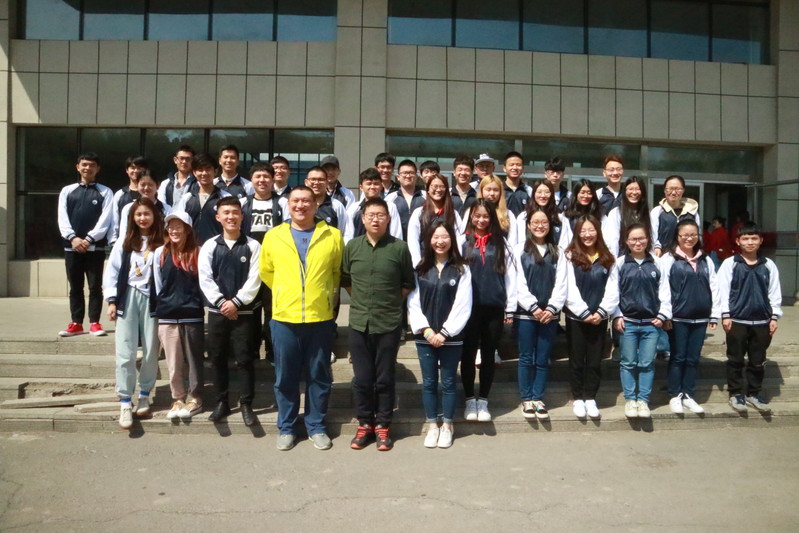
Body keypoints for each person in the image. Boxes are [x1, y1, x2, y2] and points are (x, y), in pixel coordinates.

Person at [260, 186, 344, 451]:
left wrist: (323, 297)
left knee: (319, 376)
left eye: (306, 201)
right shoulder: (274, 236)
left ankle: (316, 426)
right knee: (285, 376)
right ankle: (287, 427)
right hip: (284, 317)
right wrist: (287, 293)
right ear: (288, 205)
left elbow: (335, 272)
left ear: (315, 205)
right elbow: (266, 271)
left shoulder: (332, 235)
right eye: (295, 201)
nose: (300, 206)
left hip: (320, 318)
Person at [342, 198, 415, 451]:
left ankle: (383, 425)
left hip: (388, 322)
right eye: (371, 215)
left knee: (384, 378)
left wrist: (389, 303)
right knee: (362, 379)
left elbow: (408, 283)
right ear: (363, 219)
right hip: (359, 322)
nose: (375, 219)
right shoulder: (352, 247)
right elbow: (346, 280)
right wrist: (363, 301)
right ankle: (365, 423)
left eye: (380, 215)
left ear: (388, 218)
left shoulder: (399, 248)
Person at [198, 196, 262, 427]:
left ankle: (246, 404)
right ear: (218, 217)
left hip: (244, 314)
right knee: (217, 359)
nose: (231, 217)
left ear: (242, 216)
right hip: (218, 313)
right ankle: (222, 402)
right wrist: (222, 303)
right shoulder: (210, 245)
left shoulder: (253, 245)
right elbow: (205, 278)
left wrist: (235, 302)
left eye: (235, 212)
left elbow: (255, 278)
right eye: (226, 213)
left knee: (244, 359)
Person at [408, 221, 472, 449]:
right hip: (425, 335)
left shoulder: (462, 269)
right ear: (428, 240)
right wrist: (426, 330)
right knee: (428, 382)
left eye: (445, 237)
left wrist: (445, 332)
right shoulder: (420, 269)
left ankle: (447, 425)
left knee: (448, 382)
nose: (440, 241)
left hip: (450, 338)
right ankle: (432, 425)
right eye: (435, 237)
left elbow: (463, 304)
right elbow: (413, 302)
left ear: (452, 240)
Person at [103, 197, 164, 429]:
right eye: (138, 214)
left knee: (150, 350)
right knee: (125, 351)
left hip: (152, 299)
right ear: (132, 218)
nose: (142, 218)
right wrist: (112, 300)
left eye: (147, 214)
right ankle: (125, 401)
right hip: (128, 297)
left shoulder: (162, 241)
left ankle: (145, 394)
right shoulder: (125, 240)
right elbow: (112, 271)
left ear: (154, 216)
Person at [459, 200, 515, 422]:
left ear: (491, 218)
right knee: (468, 354)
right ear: (471, 217)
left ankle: (483, 400)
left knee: (489, 354)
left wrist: (510, 307)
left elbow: (511, 277)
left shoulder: (502, 243)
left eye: (485, 216)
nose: (481, 220)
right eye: (477, 215)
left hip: (494, 307)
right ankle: (469, 400)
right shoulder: (462, 242)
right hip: (469, 309)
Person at [717, 222, 782, 414]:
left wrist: (774, 317)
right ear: (738, 241)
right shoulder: (730, 263)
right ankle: (735, 393)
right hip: (737, 320)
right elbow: (722, 291)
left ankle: (754, 393)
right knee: (735, 359)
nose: (750, 242)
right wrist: (725, 315)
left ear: (761, 240)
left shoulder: (768, 265)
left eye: (754, 238)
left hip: (762, 321)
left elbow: (774, 292)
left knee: (758, 360)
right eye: (745, 238)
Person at [660, 219, 720, 415]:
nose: (689, 238)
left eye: (693, 234)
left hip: (700, 318)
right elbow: (663, 288)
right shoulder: (669, 259)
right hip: (678, 318)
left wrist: (714, 315)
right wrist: (666, 315)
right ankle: (675, 394)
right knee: (678, 357)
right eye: (684, 235)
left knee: (693, 358)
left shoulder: (705, 260)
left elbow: (714, 287)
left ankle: (688, 394)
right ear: (677, 236)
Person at [613, 224, 671, 419]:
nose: (638, 242)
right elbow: (614, 292)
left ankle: (643, 400)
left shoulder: (657, 263)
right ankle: (630, 400)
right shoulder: (620, 263)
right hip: (628, 323)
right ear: (626, 241)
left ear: (648, 240)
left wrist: (662, 315)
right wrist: (617, 315)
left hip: (650, 324)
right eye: (633, 239)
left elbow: (665, 292)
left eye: (641, 238)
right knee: (628, 362)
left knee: (647, 363)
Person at [514, 208, 568, 419]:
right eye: (535, 222)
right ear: (528, 225)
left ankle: (538, 397)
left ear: (550, 225)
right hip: (526, 314)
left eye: (544, 222)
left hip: (549, 316)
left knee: (543, 358)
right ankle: (526, 398)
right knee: (526, 357)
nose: (539, 225)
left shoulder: (558, 251)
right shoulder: (519, 250)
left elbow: (561, 283)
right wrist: (533, 307)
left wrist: (552, 308)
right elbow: (518, 282)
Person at [564, 215, 619, 419]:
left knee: (595, 360)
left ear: (598, 232)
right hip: (577, 318)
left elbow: (613, 288)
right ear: (577, 233)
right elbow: (568, 287)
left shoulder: (607, 257)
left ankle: (590, 397)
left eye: (591, 230)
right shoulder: (569, 256)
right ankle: (578, 397)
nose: (587, 235)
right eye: (583, 231)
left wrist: (602, 312)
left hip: (599, 318)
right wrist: (584, 312)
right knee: (577, 359)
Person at [154, 212, 205, 420]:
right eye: (171, 227)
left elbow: (203, 282)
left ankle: (196, 398)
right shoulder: (160, 253)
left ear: (187, 229)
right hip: (167, 315)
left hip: (192, 314)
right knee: (173, 362)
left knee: (194, 360)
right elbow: (158, 283)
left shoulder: (198, 252)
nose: (174, 231)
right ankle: (178, 398)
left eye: (178, 226)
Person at [57, 152, 114, 337]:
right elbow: (62, 217)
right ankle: (76, 323)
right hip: (71, 247)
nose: (87, 168)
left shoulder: (106, 192)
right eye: (84, 165)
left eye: (91, 165)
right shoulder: (67, 191)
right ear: (78, 167)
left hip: (95, 248)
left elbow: (106, 219)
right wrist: (73, 238)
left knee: (95, 287)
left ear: (98, 169)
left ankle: (95, 323)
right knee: (75, 287)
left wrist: (89, 239)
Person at [240, 162, 289, 363]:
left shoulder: (283, 203)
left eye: (266, 176)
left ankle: (271, 349)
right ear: (251, 180)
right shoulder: (243, 203)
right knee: (250, 308)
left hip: (274, 265)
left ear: (273, 179)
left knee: (272, 309)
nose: (262, 180)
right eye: (258, 176)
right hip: (248, 263)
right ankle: (251, 350)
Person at [174, 152, 232, 244]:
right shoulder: (187, 198)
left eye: (208, 169)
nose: (204, 173)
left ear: (215, 171)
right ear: (194, 172)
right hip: (191, 249)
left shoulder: (225, 198)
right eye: (200, 170)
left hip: (217, 248)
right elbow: (179, 225)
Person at [407, 173, 463, 266]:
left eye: (442, 187)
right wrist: (418, 264)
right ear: (428, 190)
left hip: (449, 264)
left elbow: (459, 239)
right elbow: (413, 240)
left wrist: (457, 261)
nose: (438, 189)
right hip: (425, 263)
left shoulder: (453, 213)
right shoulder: (419, 213)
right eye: (434, 186)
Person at [112, 170, 172, 244]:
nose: (146, 188)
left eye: (150, 184)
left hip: (158, 247)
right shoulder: (128, 208)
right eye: (143, 185)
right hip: (134, 247)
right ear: (137, 185)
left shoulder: (166, 209)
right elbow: (124, 234)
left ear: (158, 186)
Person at [601, 176, 652, 257]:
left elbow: (651, 236)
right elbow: (612, 240)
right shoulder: (616, 213)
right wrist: (615, 260)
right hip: (623, 258)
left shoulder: (646, 213)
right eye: (630, 189)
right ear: (624, 191)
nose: (634, 192)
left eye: (638, 189)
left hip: (644, 258)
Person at [650, 175, 700, 256]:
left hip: (686, 257)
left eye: (677, 189)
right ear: (664, 190)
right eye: (670, 189)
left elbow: (697, 235)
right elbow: (652, 235)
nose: (673, 192)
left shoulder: (692, 212)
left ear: (683, 190)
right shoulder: (657, 211)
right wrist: (656, 247)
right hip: (663, 256)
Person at [348, 168, 403, 239]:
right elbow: (348, 234)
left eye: (376, 184)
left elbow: (396, 233)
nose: (372, 187)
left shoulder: (390, 206)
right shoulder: (353, 208)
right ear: (361, 187)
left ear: (381, 186)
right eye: (369, 184)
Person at [305, 166, 354, 244]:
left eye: (321, 179)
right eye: (313, 179)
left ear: (327, 182)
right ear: (306, 182)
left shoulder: (336, 206)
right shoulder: (299, 206)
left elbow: (345, 233)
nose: (316, 183)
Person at [513, 179, 564, 248]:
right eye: (539, 192)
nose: (543, 195)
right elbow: (520, 242)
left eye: (547, 192)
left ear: (552, 194)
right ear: (534, 194)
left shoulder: (560, 217)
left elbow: (564, 244)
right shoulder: (523, 217)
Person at [560, 179, 604, 250]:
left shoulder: (600, 214)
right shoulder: (567, 216)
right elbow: (564, 240)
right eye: (582, 192)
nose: (586, 196)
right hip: (574, 252)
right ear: (576, 194)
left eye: (589, 193)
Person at [158, 144, 197, 209]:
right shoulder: (165, 184)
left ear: (192, 161)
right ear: (175, 160)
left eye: (188, 159)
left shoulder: (198, 184)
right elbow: (161, 205)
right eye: (181, 158)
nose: (184, 162)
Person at [502, 151, 532, 217]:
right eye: (511, 165)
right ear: (504, 168)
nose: (515, 168)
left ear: (523, 168)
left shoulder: (528, 190)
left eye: (518, 165)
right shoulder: (499, 189)